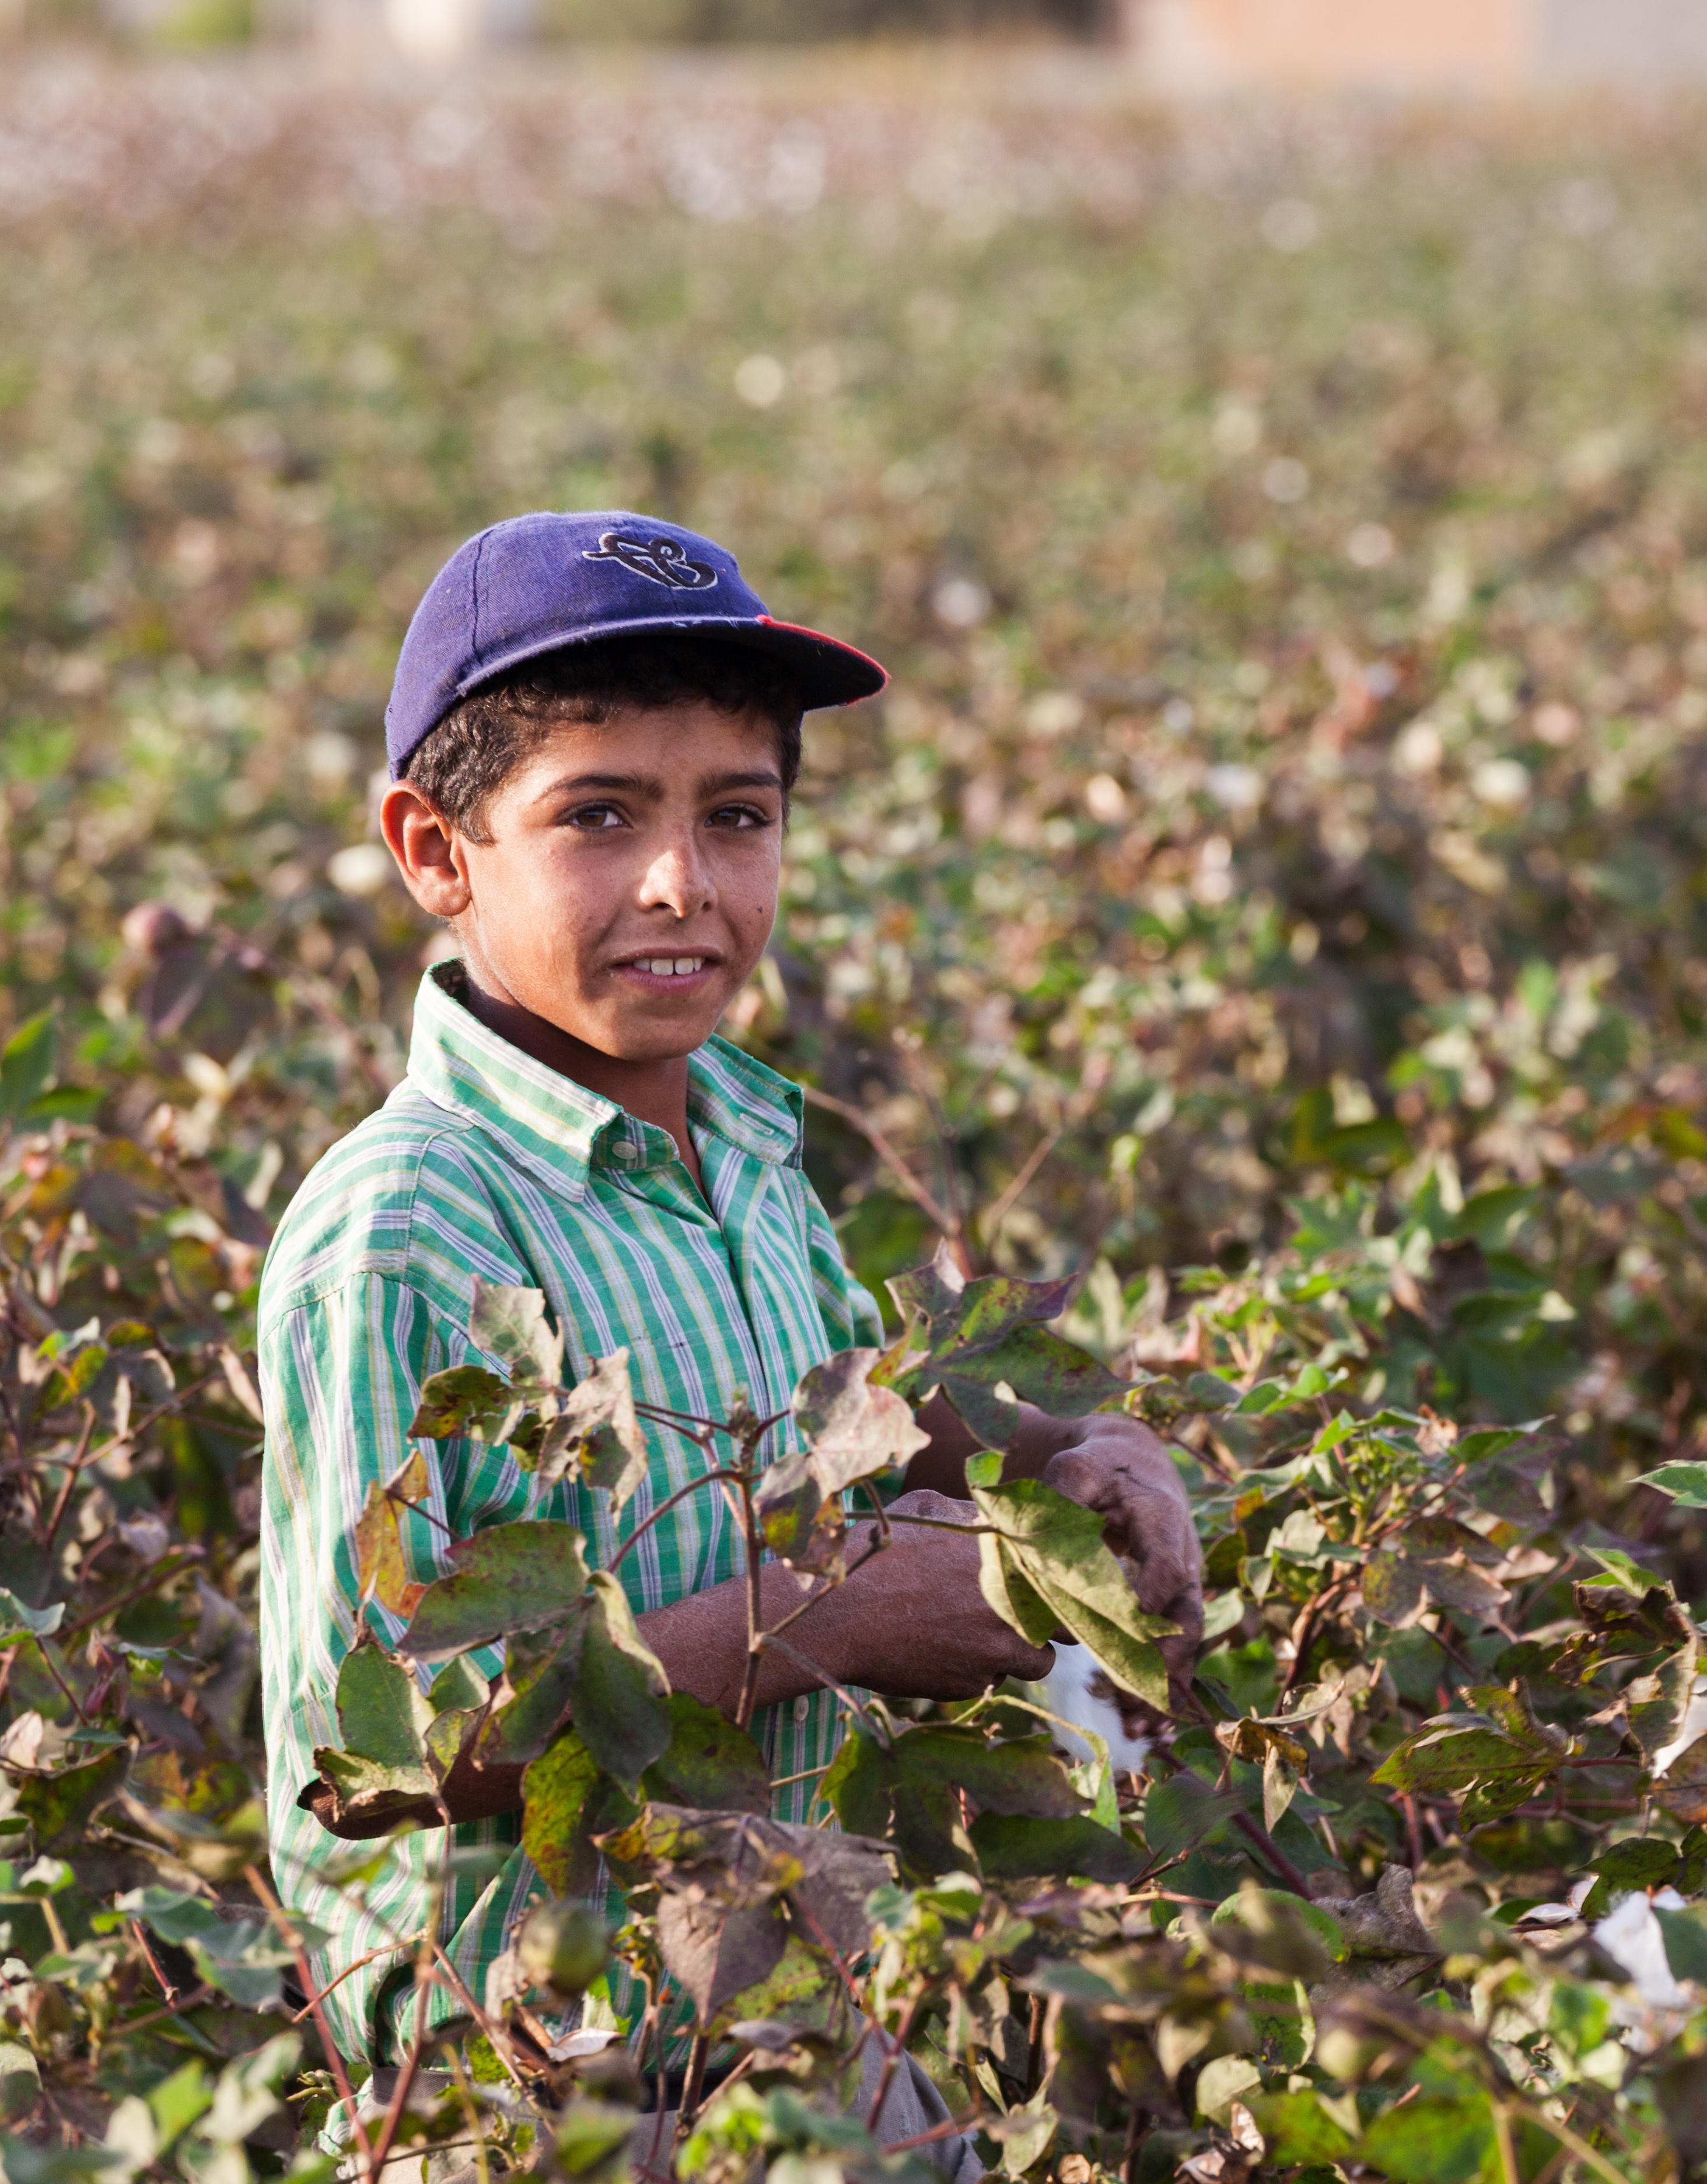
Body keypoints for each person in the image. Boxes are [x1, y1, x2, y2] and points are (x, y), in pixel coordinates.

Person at [254, 512, 1204, 2141]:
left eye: (736, 815)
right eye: (598, 816)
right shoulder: (407, 1225)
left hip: (789, 1979)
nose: (680, 881)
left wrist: (1079, 1457)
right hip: (539, 2057)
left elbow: (846, 1411)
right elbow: (389, 1738)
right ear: (434, 852)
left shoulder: (745, 1138)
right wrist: (826, 1621)